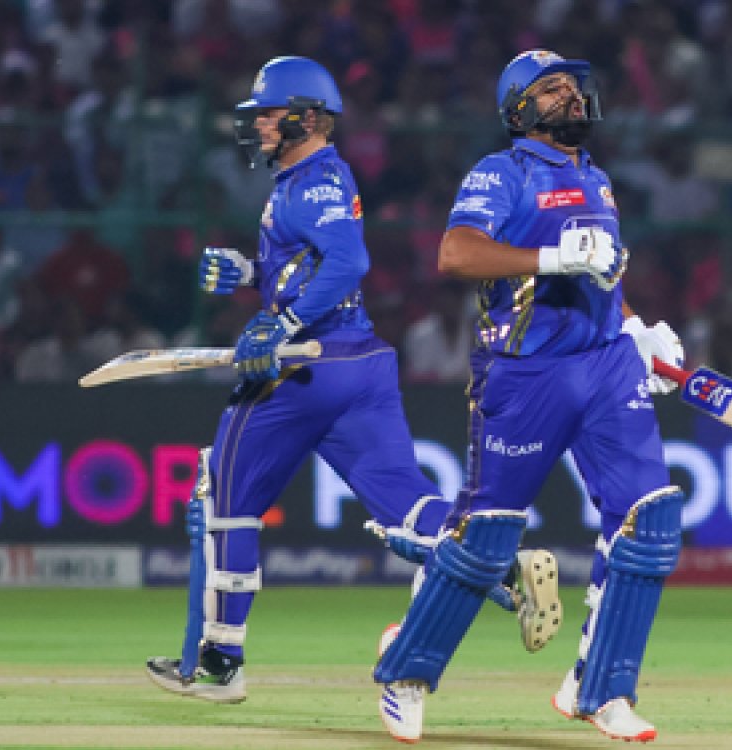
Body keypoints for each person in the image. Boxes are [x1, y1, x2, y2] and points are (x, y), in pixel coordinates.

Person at [143, 56, 561, 706]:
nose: (257, 126)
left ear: (308, 118)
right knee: (407, 505)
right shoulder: (312, 179)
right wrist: (253, 274)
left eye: (269, 115)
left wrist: (279, 322)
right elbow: (314, 264)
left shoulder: (311, 181)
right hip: (359, 362)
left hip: (305, 366)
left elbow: (347, 261)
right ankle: (500, 566)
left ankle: (219, 662)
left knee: (219, 496)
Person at [372, 50, 687, 743]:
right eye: (552, 88)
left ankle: (601, 688)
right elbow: (456, 253)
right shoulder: (502, 172)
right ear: (519, 109)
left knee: (650, 519)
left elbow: (601, 277)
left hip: (606, 366)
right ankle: (406, 671)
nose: (571, 95)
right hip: (525, 370)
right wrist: (553, 258)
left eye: (574, 84)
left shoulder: (596, 177)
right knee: (486, 538)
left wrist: (638, 331)